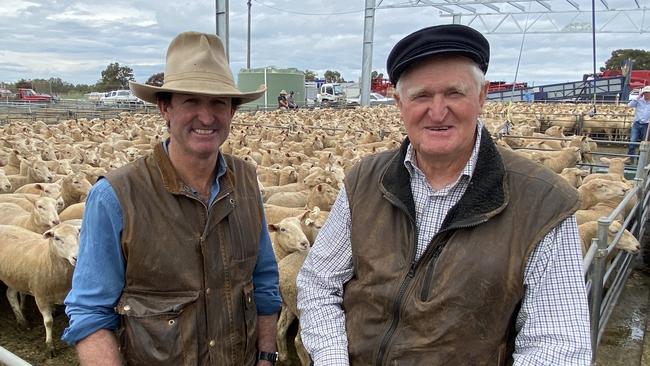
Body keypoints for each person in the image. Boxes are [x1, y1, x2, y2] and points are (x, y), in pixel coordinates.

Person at [296, 24, 591, 365]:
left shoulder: (542, 202)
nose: (437, 112)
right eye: (421, 96)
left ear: (481, 97)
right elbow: (319, 282)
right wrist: (333, 358)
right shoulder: (364, 180)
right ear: (399, 103)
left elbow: (559, 346)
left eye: (454, 93)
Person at [62, 31, 282, 366]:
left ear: (233, 112)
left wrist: (266, 355)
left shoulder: (247, 182)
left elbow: (264, 279)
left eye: (219, 103)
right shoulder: (115, 197)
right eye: (191, 101)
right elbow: (90, 312)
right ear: (165, 108)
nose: (206, 117)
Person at [627, 85, 650, 158]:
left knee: (644, 142)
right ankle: (630, 158)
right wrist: (637, 97)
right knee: (632, 141)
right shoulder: (639, 100)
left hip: (646, 124)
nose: (647, 95)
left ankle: (640, 159)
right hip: (637, 123)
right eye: (646, 93)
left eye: (648, 93)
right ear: (643, 93)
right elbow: (629, 105)